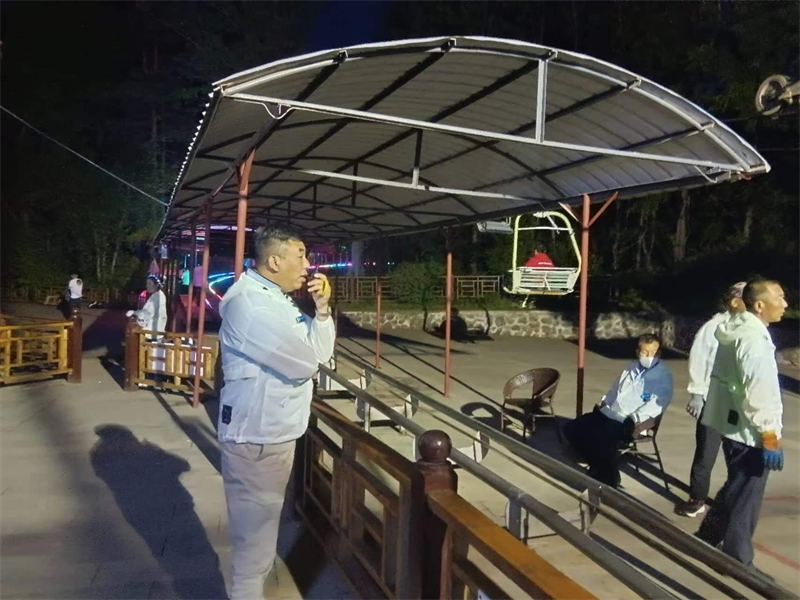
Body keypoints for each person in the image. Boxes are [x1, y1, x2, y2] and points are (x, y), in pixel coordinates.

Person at [217, 225, 334, 600]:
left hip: (274, 432)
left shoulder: (275, 299)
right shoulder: (251, 305)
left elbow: (320, 353)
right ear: (274, 261)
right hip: (257, 438)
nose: (308, 265)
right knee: (253, 552)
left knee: (261, 542)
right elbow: (305, 365)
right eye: (301, 255)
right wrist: (311, 357)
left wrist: (322, 310)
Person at [696, 280, 788, 568]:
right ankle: (738, 559)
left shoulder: (736, 330)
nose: (785, 304)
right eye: (780, 298)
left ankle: (708, 535)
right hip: (751, 431)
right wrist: (770, 435)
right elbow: (759, 392)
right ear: (760, 305)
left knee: (736, 485)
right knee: (748, 496)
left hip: (733, 424)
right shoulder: (753, 341)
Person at [564, 333, 673, 488]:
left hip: (630, 421)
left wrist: (636, 420)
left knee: (602, 436)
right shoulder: (631, 367)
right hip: (610, 412)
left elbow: (658, 403)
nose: (649, 356)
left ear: (659, 353)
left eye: (653, 353)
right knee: (573, 429)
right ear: (638, 352)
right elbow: (616, 389)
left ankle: (609, 478)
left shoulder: (663, 376)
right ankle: (597, 464)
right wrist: (604, 402)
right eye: (645, 352)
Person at [676, 282, 746, 518]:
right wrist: (697, 393)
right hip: (713, 402)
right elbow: (698, 359)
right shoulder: (713, 327)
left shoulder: (754, 329)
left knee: (738, 456)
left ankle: (735, 501)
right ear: (734, 301)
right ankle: (697, 499)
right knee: (706, 453)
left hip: (740, 404)